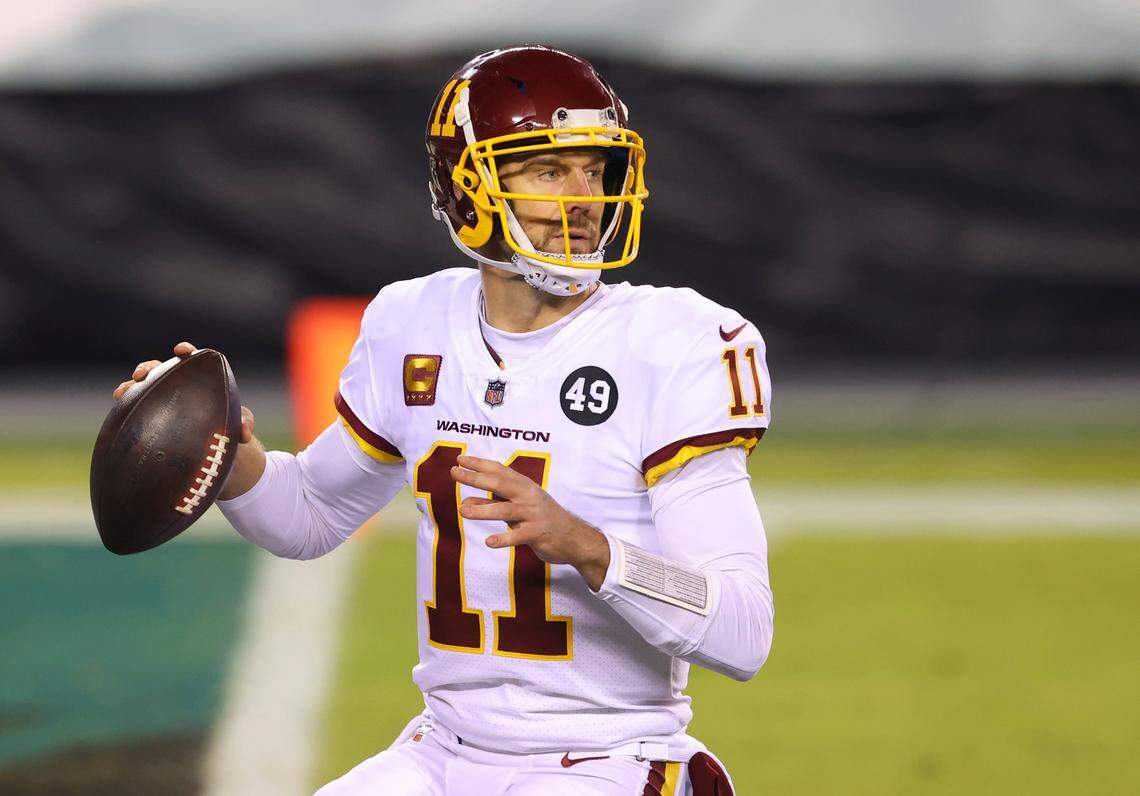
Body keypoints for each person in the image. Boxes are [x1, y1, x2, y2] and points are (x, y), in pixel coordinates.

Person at [115, 45, 774, 796]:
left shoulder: (677, 342)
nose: (585, 198)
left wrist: (590, 548)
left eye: (595, 170)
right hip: (442, 752)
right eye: (549, 171)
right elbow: (311, 515)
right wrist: (232, 462)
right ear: (469, 190)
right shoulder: (412, 321)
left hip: (607, 756)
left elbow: (742, 632)